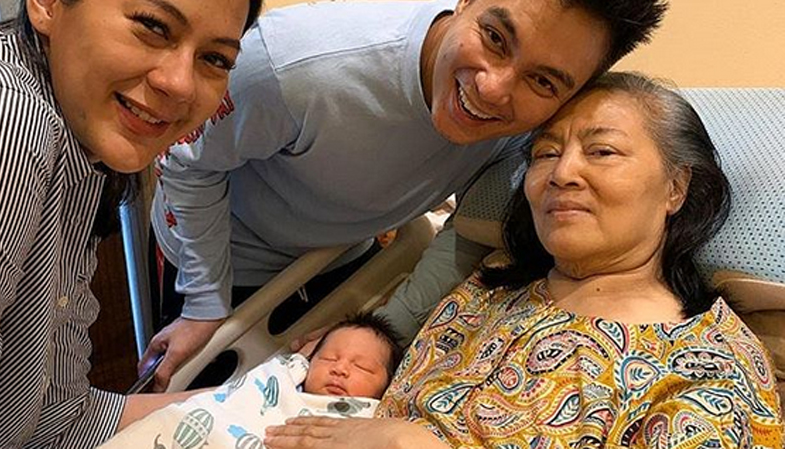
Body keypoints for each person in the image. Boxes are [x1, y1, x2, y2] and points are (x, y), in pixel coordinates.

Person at [144, 0, 669, 391]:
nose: (493, 88)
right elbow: (189, 165)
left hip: (344, 255)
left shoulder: (538, 129)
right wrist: (204, 305)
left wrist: (381, 331)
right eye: (494, 38)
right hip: (222, 261)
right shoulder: (293, 69)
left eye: (544, 81)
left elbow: (468, 226)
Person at [264, 72, 783, 448]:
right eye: (545, 153)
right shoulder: (486, 291)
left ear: (676, 187)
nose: (561, 174)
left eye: (601, 151)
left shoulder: (709, 372)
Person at [0, 0, 263, 448]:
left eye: (215, 58)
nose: (180, 84)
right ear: (47, 0)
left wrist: (253, 404)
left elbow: (44, 414)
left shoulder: (79, 159)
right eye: (153, 27)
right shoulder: (7, 120)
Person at [97, 313, 402, 449]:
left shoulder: (373, 420)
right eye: (330, 358)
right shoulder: (282, 379)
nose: (341, 369)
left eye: (362, 367)